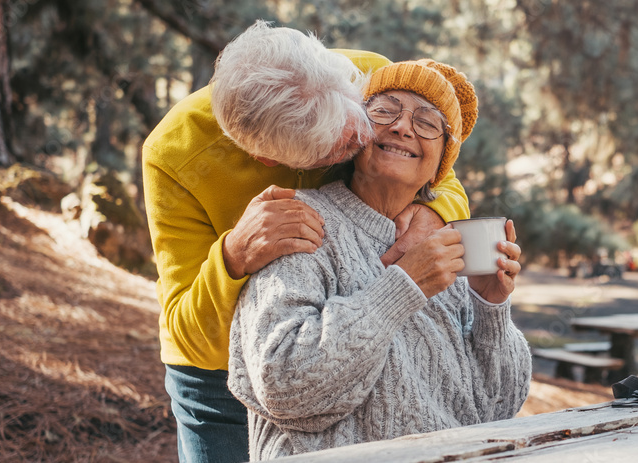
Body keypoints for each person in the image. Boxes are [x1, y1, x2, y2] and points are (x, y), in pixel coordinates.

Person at [141, 22, 470, 463]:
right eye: (339, 150)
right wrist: (233, 255)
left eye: (361, 120)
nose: (364, 141)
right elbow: (189, 332)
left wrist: (437, 211)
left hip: (337, 343)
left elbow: (440, 166)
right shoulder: (172, 156)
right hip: (216, 383)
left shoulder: (371, 77)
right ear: (267, 160)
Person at [227, 59, 532, 460]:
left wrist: (491, 307)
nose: (403, 127)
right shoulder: (300, 220)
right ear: (357, 132)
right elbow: (283, 384)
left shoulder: (447, 246)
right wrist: (403, 286)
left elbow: (498, 406)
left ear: (441, 163)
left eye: (426, 122)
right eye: (385, 110)